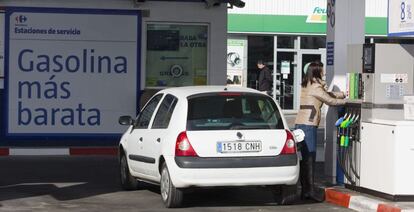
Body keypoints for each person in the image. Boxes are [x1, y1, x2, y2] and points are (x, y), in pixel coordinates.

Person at [295, 61, 346, 202]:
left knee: (304, 158)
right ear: (317, 71)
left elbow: (326, 94)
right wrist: (348, 101)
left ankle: (305, 190)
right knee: (310, 158)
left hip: (300, 123)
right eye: (322, 69)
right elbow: (330, 101)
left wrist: (342, 94)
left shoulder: (308, 84)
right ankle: (309, 191)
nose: (324, 71)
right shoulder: (316, 86)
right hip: (308, 125)